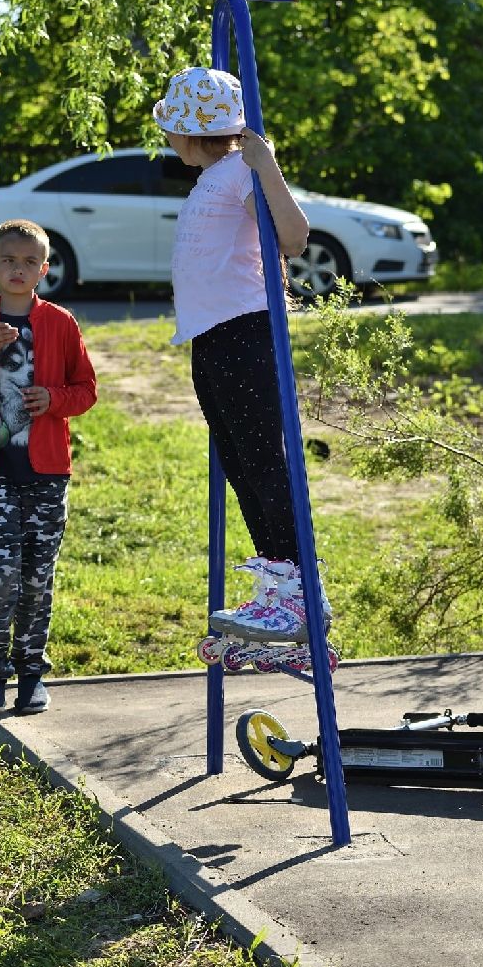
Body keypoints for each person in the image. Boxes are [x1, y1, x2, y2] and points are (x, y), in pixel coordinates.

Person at [152, 66, 331, 645]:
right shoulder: (215, 176)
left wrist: (266, 165)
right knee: (242, 465)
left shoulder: (237, 172)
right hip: (213, 337)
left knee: (265, 464)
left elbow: (294, 237)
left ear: (191, 132)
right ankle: (278, 590)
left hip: (245, 333)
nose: (166, 139)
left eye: (171, 129)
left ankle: (304, 598)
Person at [0, 219, 97, 715]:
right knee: (2, 571)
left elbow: (86, 391)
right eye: (9, 259)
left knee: (37, 577)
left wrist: (53, 398)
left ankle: (31, 673)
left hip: (48, 473)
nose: (18, 268)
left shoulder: (60, 322)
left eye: (30, 261)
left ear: (44, 270)